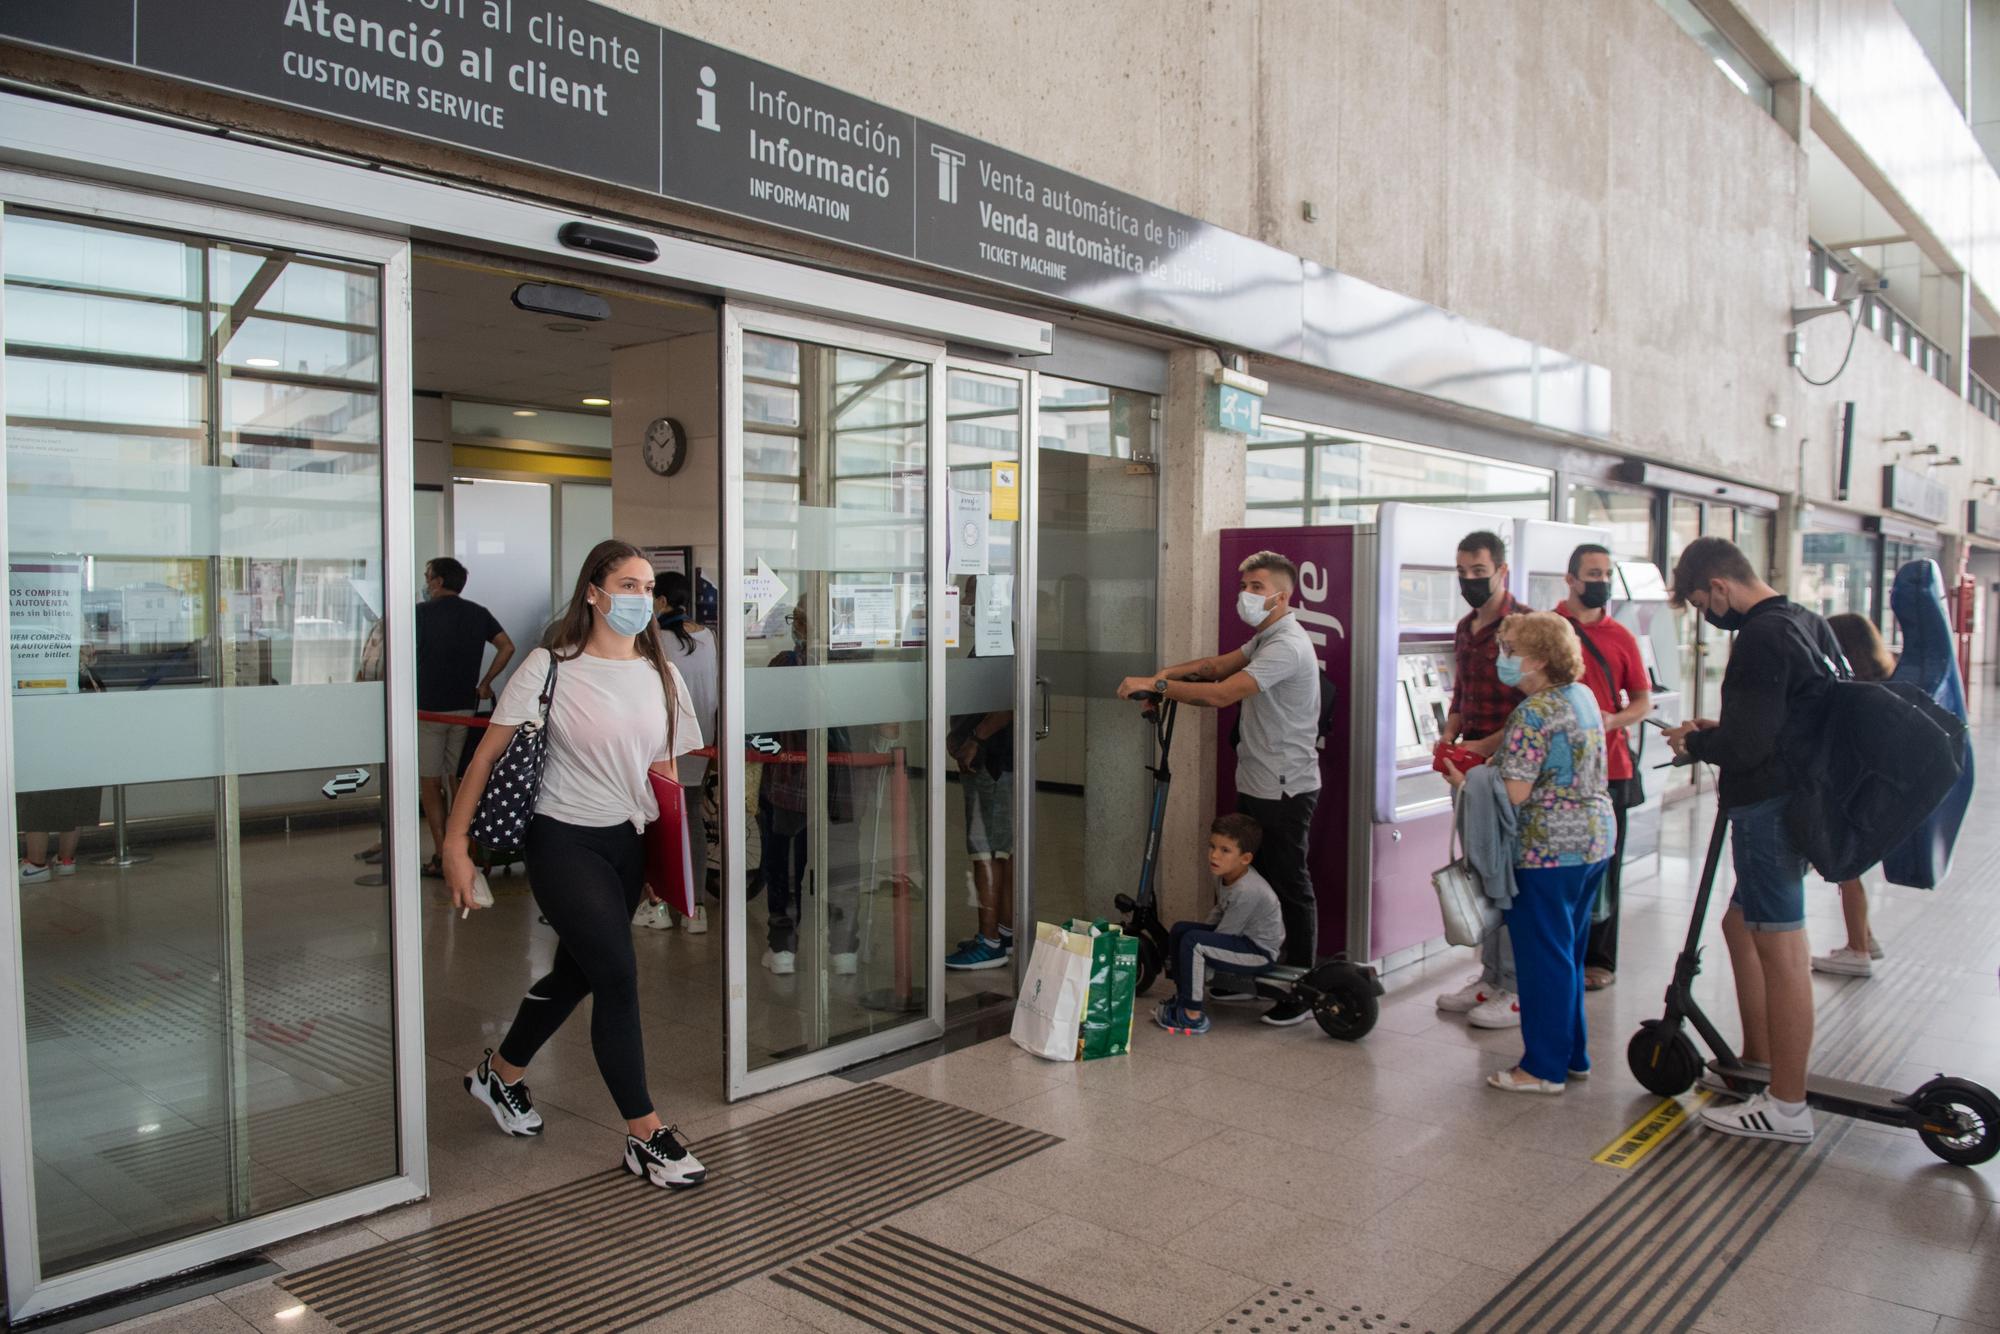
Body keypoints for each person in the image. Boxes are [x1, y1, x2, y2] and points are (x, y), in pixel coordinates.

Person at [441, 539, 707, 1190]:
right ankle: (646, 1134)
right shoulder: (549, 666)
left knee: (575, 973)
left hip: (627, 839)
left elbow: (665, 769)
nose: (640, 599)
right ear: (594, 592)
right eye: (627, 585)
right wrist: (454, 845)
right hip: (562, 838)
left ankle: (499, 1074)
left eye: (647, 588)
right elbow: (483, 759)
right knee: (616, 972)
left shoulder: (661, 672)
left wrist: (667, 857)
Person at [1663, 536, 1844, 1145]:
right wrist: (1726, 729)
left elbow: (1747, 747)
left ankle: (1787, 1105)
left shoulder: (1760, 637)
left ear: (1718, 587)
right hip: (1797, 800)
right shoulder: (1805, 622)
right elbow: (1791, 719)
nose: (1708, 618)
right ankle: (1760, 1057)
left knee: (1782, 947)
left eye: (1701, 604)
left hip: (1769, 808)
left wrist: (1699, 743)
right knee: (1740, 926)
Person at [1116, 550, 1323, 1027]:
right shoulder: (1265, 637)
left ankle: (1299, 983)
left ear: (1281, 595)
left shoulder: (1287, 645)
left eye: (1255, 586)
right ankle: (1243, 970)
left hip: (1286, 788)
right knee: (1253, 879)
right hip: (1258, 780)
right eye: (1244, 585)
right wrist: (1161, 676)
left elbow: (1221, 694)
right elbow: (1212, 667)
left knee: (1289, 884)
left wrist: (1159, 687)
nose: (1246, 594)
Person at [1441, 612, 1614, 1094]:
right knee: (1569, 954)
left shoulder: (1533, 712)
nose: (1503, 657)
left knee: (1542, 961)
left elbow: (1511, 793)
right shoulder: (1581, 697)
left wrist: (1465, 783)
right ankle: (1572, 1054)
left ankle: (1542, 1068)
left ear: (1539, 659)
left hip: (1547, 852)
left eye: (1511, 649)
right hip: (1593, 841)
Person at [1435, 530, 1532, 1028]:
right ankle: (1490, 976)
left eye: (1479, 572)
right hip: (1469, 769)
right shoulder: (1465, 627)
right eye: (1462, 572)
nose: (1470, 581)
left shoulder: (1528, 627)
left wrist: (1483, 747)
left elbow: (1534, 708)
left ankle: (1514, 987)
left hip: (1510, 772)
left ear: (1501, 571)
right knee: (1479, 871)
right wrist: (1452, 732)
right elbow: (1462, 691)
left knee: (1505, 877)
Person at [1554, 544, 1652, 990]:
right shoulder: (1550, 628)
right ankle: (1561, 952)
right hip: (1558, 771)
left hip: (1611, 768)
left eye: (1606, 574)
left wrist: (1610, 720)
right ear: (1571, 579)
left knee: (1605, 866)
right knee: (1559, 864)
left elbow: (1642, 701)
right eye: (1592, 574)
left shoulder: (1621, 637)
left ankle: (1600, 959)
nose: (1601, 582)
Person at [757, 605, 860, 977]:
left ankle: (784, 948)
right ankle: (843, 950)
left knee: (784, 866)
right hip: (842, 786)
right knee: (840, 870)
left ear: (801, 627)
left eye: (795, 621)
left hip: (788, 785)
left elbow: (761, 720)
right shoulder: (853, 667)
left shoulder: (783, 666)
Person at [418, 557, 514, 877]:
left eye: (428, 577)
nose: (426, 582)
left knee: (431, 783)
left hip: (429, 709)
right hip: (465, 708)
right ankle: (463, 850)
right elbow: (507, 647)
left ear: (438, 581)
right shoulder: (478, 613)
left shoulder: (420, 614)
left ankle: (441, 852)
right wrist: (485, 683)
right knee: (456, 778)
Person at [633, 572, 715, 935]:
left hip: (661, 745)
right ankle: (695, 908)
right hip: (700, 743)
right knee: (691, 817)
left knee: (656, 822)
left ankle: (658, 904)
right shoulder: (709, 637)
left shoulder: (654, 640)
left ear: (662, 601)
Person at [1812, 612, 1893, 977]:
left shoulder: (1852, 689)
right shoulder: (1882, 680)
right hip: (1874, 787)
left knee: (1847, 867)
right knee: (1851, 866)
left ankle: (1857, 949)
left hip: (1852, 788)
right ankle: (1866, 936)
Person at [1154, 814, 1286, 1035]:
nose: (1214, 855)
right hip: (1239, 938)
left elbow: (1227, 933)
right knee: (1181, 930)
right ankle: (1184, 996)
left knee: (1193, 942)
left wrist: (1201, 954)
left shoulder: (1248, 890)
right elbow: (1220, 911)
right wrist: (1199, 935)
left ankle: (1192, 1015)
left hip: (1258, 951)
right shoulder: (1225, 874)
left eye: (1225, 850)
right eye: (1212, 846)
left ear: (1245, 858)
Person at [944, 641, 1016, 970]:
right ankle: (1004, 931)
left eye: (971, 592)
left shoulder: (1000, 644)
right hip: (993, 762)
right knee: (1000, 848)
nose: (966, 602)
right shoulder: (992, 641)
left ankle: (989, 941)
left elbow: (1004, 707)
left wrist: (973, 740)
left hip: (992, 764)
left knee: (985, 848)